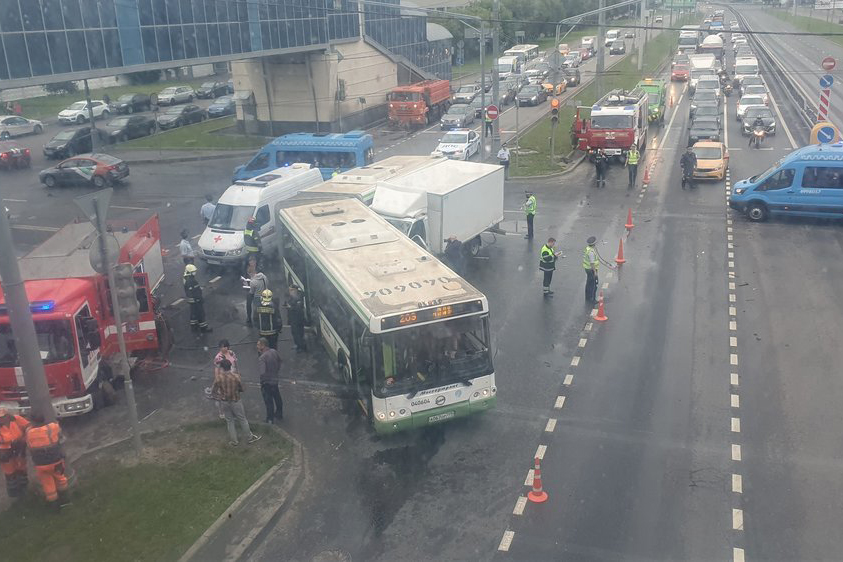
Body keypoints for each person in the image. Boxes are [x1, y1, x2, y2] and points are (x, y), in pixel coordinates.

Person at [211, 359, 261, 446]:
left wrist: (219, 396)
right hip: (236, 401)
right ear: (230, 367)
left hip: (224, 402)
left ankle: (234, 441)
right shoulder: (236, 377)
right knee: (242, 419)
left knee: (230, 421)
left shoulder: (218, 378)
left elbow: (213, 391)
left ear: (222, 368)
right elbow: (242, 388)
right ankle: (249, 437)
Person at [25, 414, 69, 510]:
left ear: (32, 422)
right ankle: (65, 501)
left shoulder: (28, 432)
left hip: (40, 464)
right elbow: (59, 431)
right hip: (55, 461)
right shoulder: (51, 427)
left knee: (48, 486)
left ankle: (54, 507)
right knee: (61, 480)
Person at [0, 409, 29, 499]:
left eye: (3, 417)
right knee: (10, 471)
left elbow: (28, 426)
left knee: (22, 467)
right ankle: (14, 493)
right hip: (5, 451)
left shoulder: (16, 419)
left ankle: (25, 488)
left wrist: (24, 438)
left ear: (7, 415)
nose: (1, 419)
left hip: (19, 447)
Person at [257, 337, 283, 423]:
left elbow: (262, 372)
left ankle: (270, 419)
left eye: (258, 344)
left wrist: (262, 381)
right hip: (274, 380)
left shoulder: (262, 358)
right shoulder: (274, 351)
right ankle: (279, 413)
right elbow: (279, 361)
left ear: (263, 346)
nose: (257, 346)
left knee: (269, 402)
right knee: (277, 397)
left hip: (266, 382)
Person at [214, 340, 238, 420]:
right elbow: (217, 369)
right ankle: (221, 412)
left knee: (232, 394)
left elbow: (235, 363)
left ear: (228, 347)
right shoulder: (218, 357)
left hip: (232, 376)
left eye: (224, 346)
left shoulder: (231, 353)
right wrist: (217, 379)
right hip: (223, 378)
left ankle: (233, 411)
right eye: (221, 347)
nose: (222, 348)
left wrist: (237, 373)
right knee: (221, 395)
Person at [184, 264, 212, 332]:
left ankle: (194, 327)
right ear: (190, 272)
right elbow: (195, 292)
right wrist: (200, 299)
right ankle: (204, 328)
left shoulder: (186, 279)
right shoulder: (192, 281)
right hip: (196, 300)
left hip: (192, 301)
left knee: (194, 314)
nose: (195, 272)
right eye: (193, 271)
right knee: (201, 314)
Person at [286, 285, 307, 352]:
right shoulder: (293, 296)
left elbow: (298, 309)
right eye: (289, 290)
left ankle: (301, 347)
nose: (290, 292)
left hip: (297, 319)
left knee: (298, 333)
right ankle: (298, 345)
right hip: (293, 318)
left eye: (291, 290)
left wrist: (290, 307)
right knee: (295, 333)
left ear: (295, 290)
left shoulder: (298, 297)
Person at [583, 236, 599, 304]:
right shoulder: (591, 252)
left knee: (588, 283)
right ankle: (593, 299)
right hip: (591, 269)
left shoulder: (588, 248)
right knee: (594, 284)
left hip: (587, 268)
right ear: (594, 243)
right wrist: (595, 272)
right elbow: (592, 263)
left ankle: (588, 297)